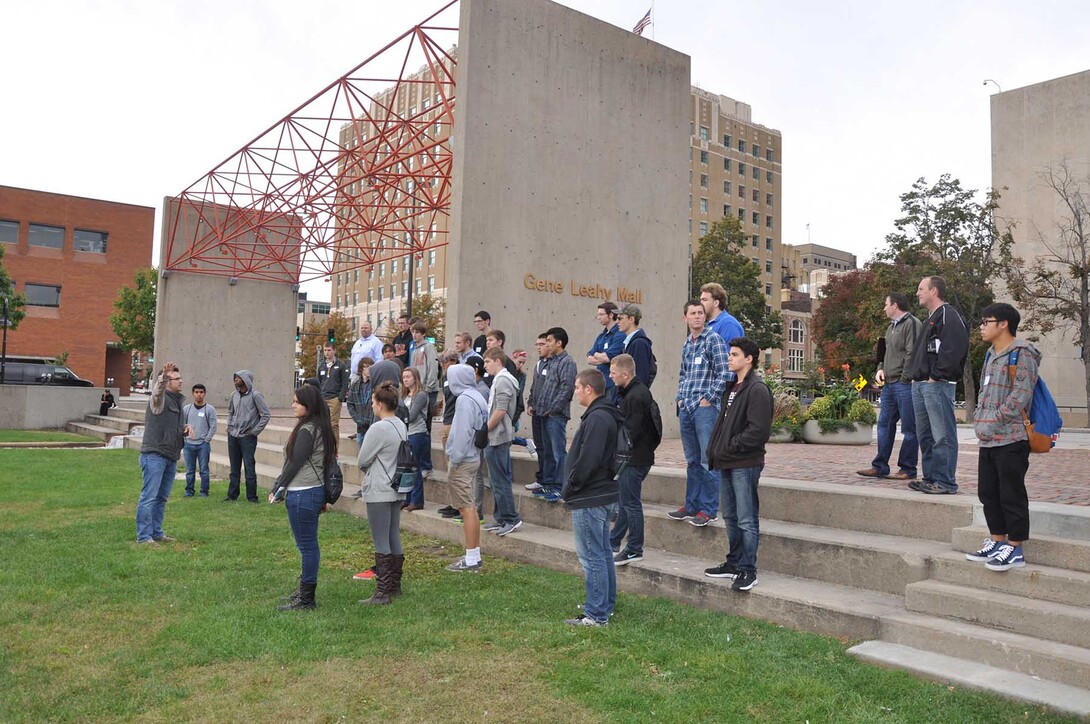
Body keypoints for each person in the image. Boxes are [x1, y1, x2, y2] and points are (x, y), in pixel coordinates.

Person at [966, 303, 1039, 572]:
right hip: (988, 437)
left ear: (1003, 324)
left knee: (1012, 494)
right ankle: (998, 541)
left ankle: (1016, 547)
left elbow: (1020, 395)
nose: (982, 326)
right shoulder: (989, 354)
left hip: (1012, 437)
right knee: (988, 493)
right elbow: (985, 392)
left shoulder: (1022, 354)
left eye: (987, 321)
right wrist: (979, 418)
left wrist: (993, 418)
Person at [704, 337, 773, 592]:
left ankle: (748, 569)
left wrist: (730, 445)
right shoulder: (731, 388)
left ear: (749, 359)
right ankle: (733, 563)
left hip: (744, 462)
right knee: (730, 516)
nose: (729, 358)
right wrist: (719, 449)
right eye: (729, 354)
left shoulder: (757, 390)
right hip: (726, 462)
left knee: (746, 518)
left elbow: (758, 431)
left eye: (734, 354)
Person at [562, 369, 623, 626]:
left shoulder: (598, 418)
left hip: (591, 496)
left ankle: (596, 614)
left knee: (592, 555)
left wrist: (572, 485)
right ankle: (604, 605)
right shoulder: (604, 414)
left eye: (577, 387)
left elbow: (589, 458)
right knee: (602, 552)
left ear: (589, 389)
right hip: (600, 493)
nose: (575, 391)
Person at [268, 384, 337, 611]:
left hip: (303, 493)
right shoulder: (320, 427)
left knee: (307, 547)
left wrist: (278, 487)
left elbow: (295, 462)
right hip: (312, 491)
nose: (293, 405)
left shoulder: (308, 430)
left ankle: (307, 598)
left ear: (308, 405)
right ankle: (304, 593)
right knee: (308, 546)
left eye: (297, 402)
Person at [905, 276, 969, 495]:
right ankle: (931, 478)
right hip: (921, 384)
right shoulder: (930, 317)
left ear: (934, 291)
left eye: (921, 288)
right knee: (927, 436)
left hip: (937, 384)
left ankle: (946, 481)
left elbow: (954, 348)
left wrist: (936, 376)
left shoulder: (948, 316)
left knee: (943, 435)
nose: (917, 292)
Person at [671, 300, 730, 527]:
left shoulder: (713, 340)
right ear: (684, 318)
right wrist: (679, 396)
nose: (697, 316)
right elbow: (683, 373)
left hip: (705, 409)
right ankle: (691, 505)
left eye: (700, 313)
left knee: (707, 461)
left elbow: (725, 373)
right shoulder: (687, 344)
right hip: (686, 407)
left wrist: (709, 399)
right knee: (692, 460)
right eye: (692, 313)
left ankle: (708, 509)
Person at [857, 293, 921, 482]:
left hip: (904, 385)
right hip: (889, 384)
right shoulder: (890, 328)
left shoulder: (912, 324)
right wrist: (880, 369)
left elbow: (912, 352)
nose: (884, 308)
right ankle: (880, 466)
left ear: (895, 305)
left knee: (909, 429)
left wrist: (904, 378)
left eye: (886, 304)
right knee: (884, 424)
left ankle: (908, 469)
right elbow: (883, 354)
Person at [355, 381, 409, 604]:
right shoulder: (400, 424)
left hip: (379, 487)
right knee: (393, 534)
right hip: (396, 486)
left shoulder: (378, 428)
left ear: (378, 404)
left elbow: (363, 459)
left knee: (380, 539)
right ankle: (394, 585)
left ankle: (383, 591)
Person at [609, 354, 658, 565]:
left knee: (631, 504)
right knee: (624, 501)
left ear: (625, 374)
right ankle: (613, 541)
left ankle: (635, 548)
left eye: (613, 373)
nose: (610, 376)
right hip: (635, 457)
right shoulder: (631, 392)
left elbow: (630, 433)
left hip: (634, 459)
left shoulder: (635, 396)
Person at [136, 362, 189, 544]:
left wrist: (184, 429)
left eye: (180, 378)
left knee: (161, 499)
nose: (181, 381)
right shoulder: (158, 399)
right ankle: (143, 536)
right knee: (149, 497)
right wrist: (163, 377)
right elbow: (157, 392)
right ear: (167, 382)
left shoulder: (178, 402)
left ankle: (157, 533)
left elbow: (171, 425)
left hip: (170, 456)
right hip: (154, 455)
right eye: (176, 379)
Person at [444, 363, 489, 572]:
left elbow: (462, 433)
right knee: (468, 506)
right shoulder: (478, 395)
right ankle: (473, 554)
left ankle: (472, 557)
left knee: (466, 507)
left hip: (464, 458)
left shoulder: (464, 400)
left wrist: (455, 457)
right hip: (474, 456)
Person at [482, 348, 522, 536]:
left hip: (498, 436)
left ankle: (511, 518)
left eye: (487, 362)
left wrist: (485, 429)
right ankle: (500, 517)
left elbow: (501, 410)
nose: (485, 366)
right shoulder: (499, 379)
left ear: (498, 361)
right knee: (495, 479)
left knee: (500, 480)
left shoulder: (504, 380)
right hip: (494, 435)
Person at [536, 327, 577, 503]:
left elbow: (566, 389)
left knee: (558, 451)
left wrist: (553, 408)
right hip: (544, 414)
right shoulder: (551, 361)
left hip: (556, 415)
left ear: (559, 343)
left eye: (550, 341)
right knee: (547, 452)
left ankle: (560, 487)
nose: (547, 344)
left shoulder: (567, 362)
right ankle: (549, 483)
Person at [225, 369, 271, 503]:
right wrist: (229, 426)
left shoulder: (256, 396)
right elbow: (230, 412)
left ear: (246, 379)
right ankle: (232, 495)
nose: (235, 380)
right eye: (235, 377)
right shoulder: (234, 395)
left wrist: (254, 431)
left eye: (238, 377)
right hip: (233, 435)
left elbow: (266, 415)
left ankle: (252, 497)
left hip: (248, 437)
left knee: (249, 467)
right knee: (234, 467)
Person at [436, 350, 464, 520]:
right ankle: (453, 502)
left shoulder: (459, 376)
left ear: (453, 361)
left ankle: (459, 504)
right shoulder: (445, 377)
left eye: (444, 363)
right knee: (449, 467)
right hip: (447, 421)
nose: (442, 366)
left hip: (455, 422)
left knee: (456, 467)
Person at [400, 366, 431, 512]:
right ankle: (407, 498)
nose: (405, 379)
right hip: (406, 434)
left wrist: (399, 416)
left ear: (415, 378)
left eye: (408, 377)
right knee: (406, 468)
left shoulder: (420, 395)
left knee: (415, 468)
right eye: (404, 377)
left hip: (417, 433)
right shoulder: (404, 395)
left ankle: (417, 500)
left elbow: (411, 416)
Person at [525, 333, 551, 492]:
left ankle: (551, 481)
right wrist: (530, 402)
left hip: (548, 412)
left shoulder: (554, 365)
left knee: (550, 448)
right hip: (536, 411)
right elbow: (534, 386)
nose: (539, 347)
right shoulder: (539, 364)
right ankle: (541, 478)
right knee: (540, 447)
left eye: (542, 344)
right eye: (537, 344)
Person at [182, 383, 217, 497]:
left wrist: (207, 440)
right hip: (189, 444)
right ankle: (189, 490)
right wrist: (185, 435)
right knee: (189, 470)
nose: (199, 395)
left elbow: (213, 426)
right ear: (193, 394)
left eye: (201, 392)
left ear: (204, 394)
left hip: (203, 444)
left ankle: (204, 491)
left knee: (204, 470)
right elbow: (182, 424)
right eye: (196, 392)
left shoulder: (210, 409)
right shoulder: (187, 409)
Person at [587, 302, 624, 397]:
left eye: (601, 314)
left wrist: (599, 356)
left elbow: (606, 358)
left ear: (611, 315)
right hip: (600, 384)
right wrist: (600, 357)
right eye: (598, 315)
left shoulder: (619, 334)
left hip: (612, 384)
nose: (598, 317)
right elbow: (589, 359)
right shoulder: (601, 336)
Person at [409, 320, 439, 437]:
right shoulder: (414, 350)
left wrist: (429, 387)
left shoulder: (428, 347)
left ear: (423, 334)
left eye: (417, 332)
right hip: (417, 389)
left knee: (427, 421)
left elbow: (433, 366)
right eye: (413, 332)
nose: (414, 335)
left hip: (427, 390)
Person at [317, 342, 350, 438]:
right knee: (322, 423)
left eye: (329, 350)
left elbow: (345, 382)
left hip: (334, 398)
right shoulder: (321, 366)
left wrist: (340, 397)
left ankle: (334, 449)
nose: (327, 353)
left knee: (333, 424)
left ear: (334, 351)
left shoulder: (341, 365)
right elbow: (318, 382)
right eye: (325, 350)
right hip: (323, 398)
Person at [617, 304, 655, 387]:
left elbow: (641, 376)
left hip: (634, 396)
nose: (617, 322)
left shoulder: (639, 343)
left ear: (631, 319)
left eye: (620, 318)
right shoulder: (630, 342)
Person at [700, 282, 745, 346]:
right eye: (701, 300)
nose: (700, 303)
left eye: (704, 300)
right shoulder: (709, 325)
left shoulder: (728, 324)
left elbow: (730, 354)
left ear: (716, 303)